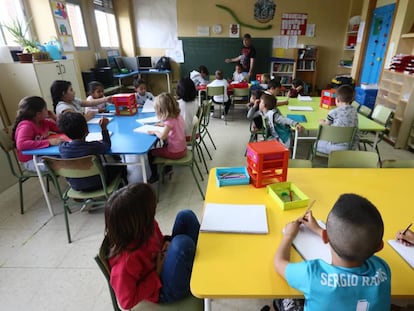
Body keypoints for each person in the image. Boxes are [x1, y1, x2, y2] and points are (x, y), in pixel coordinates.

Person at [273, 193, 390, 311]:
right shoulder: (383, 269)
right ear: (380, 247)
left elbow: (279, 263)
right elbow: (353, 246)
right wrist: (319, 230)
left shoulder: (312, 275)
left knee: (282, 300)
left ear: (326, 237)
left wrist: (289, 235)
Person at [105, 183, 200, 309]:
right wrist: (156, 272)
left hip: (165, 266)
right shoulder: (125, 263)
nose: (154, 215)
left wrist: (165, 243)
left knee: (185, 216)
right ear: (139, 221)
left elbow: (156, 244)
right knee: (182, 244)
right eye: (151, 213)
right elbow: (126, 302)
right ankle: (196, 272)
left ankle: (199, 268)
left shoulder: (148, 226)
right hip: (162, 291)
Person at [58, 111, 127, 191]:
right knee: (120, 166)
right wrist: (104, 128)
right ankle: (122, 192)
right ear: (86, 129)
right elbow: (107, 145)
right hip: (99, 182)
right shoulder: (93, 146)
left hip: (76, 186)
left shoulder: (62, 148)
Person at [12, 96, 63, 172]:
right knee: (63, 163)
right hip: (30, 160)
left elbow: (62, 129)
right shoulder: (26, 126)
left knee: (67, 156)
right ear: (38, 114)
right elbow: (21, 144)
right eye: (45, 109)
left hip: (43, 154)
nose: (48, 110)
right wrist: (48, 142)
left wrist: (54, 117)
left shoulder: (44, 122)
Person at [147, 93, 187, 183]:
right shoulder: (178, 115)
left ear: (162, 110)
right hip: (183, 149)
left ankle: (155, 175)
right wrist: (163, 125)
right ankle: (168, 169)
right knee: (165, 144)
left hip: (176, 153)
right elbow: (172, 125)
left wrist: (155, 131)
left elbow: (163, 136)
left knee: (150, 153)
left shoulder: (169, 121)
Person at [316, 84, 358, 154]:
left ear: (337, 100)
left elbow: (326, 125)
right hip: (351, 146)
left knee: (316, 143)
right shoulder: (354, 111)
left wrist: (321, 122)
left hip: (335, 147)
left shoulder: (333, 112)